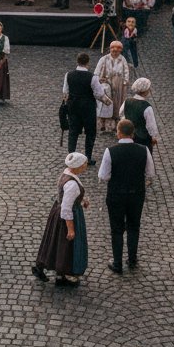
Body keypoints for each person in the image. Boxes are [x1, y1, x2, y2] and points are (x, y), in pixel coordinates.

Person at [98, 118, 155, 274]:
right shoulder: (144, 150)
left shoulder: (110, 151)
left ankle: (117, 263)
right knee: (134, 226)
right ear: (133, 133)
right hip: (136, 194)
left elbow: (103, 176)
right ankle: (132, 258)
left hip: (116, 194)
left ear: (118, 132)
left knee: (116, 229)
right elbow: (150, 173)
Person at [32, 152, 89, 287]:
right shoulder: (72, 184)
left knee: (55, 242)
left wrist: (81, 201)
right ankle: (64, 274)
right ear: (77, 166)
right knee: (66, 245)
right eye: (84, 164)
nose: (85, 166)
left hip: (58, 212)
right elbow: (66, 208)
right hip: (66, 216)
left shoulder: (67, 173)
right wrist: (70, 229)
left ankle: (53, 271)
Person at [63, 52, 110, 160]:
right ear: (88, 62)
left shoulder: (68, 75)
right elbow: (99, 94)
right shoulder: (92, 77)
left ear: (77, 62)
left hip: (73, 106)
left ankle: (71, 157)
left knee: (73, 131)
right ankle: (88, 156)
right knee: (90, 132)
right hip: (88, 107)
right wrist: (107, 101)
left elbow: (65, 92)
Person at [94, 41, 130, 133]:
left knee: (117, 104)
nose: (115, 53)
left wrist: (125, 82)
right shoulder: (104, 59)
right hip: (106, 85)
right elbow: (96, 72)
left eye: (117, 51)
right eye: (113, 51)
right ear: (110, 50)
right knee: (105, 104)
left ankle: (116, 125)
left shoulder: (122, 59)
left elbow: (126, 71)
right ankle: (102, 124)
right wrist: (98, 80)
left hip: (118, 86)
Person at [121, 77, 160, 151]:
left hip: (129, 136)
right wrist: (154, 137)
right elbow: (151, 125)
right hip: (143, 140)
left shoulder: (127, 101)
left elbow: (121, 114)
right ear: (145, 91)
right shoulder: (147, 107)